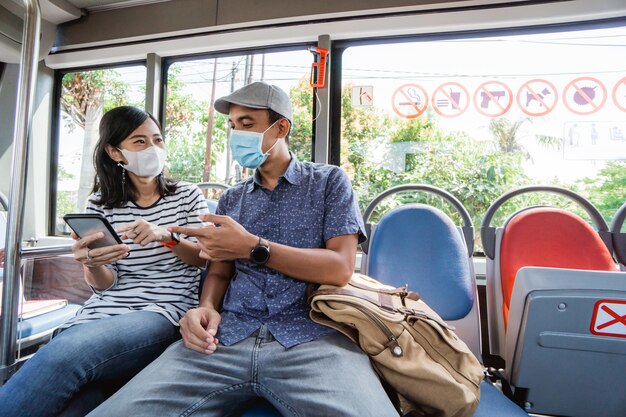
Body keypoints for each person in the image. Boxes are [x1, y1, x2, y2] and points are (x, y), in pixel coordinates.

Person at [86, 83, 398, 417]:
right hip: (226, 339)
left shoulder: (328, 182)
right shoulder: (232, 199)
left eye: (247, 124)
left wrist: (254, 247)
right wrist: (205, 308)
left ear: (281, 127)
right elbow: (219, 270)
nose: (237, 134)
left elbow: (339, 268)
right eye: (233, 126)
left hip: (311, 338)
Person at [0, 106, 208, 417]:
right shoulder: (100, 205)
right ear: (115, 152)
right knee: (78, 402)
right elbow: (105, 284)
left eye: (158, 139)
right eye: (139, 142)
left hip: (163, 308)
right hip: (104, 308)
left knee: (66, 354)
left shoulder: (187, 195)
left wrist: (166, 236)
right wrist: (91, 263)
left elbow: (203, 259)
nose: (153, 148)